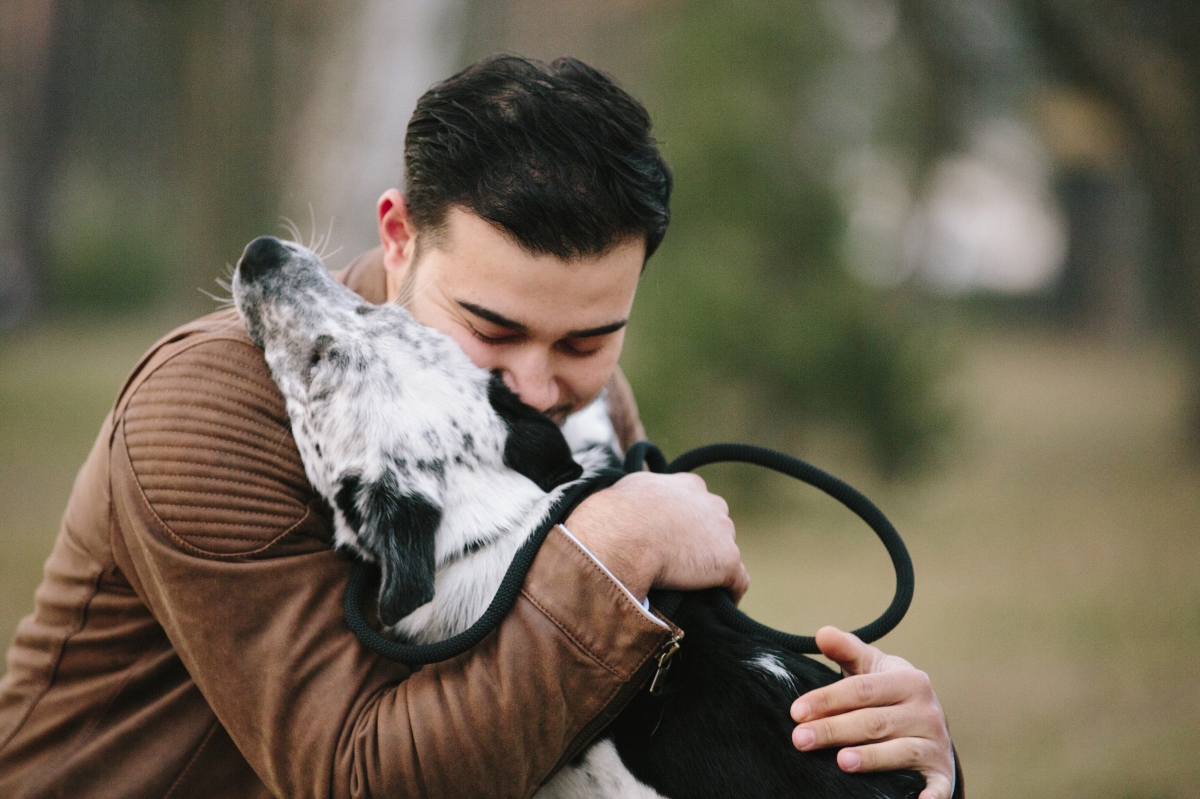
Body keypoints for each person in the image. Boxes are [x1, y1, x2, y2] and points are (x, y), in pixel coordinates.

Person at [0, 55, 961, 798]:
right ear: (398, 236)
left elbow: (648, 717)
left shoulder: (585, 402)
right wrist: (611, 549)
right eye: (493, 329)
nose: (539, 386)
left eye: (588, 339)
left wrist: (888, 758)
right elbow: (359, 780)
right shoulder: (207, 408)